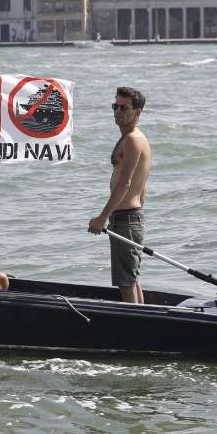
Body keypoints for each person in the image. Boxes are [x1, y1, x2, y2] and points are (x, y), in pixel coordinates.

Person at [88, 87, 152, 304]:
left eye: (124, 108)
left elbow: (125, 183)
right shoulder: (132, 138)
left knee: (126, 281)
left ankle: (134, 328)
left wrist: (102, 217)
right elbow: (142, 187)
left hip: (126, 219)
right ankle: (142, 321)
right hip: (130, 216)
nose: (117, 111)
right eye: (115, 106)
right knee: (132, 278)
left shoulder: (133, 140)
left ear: (137, 112)